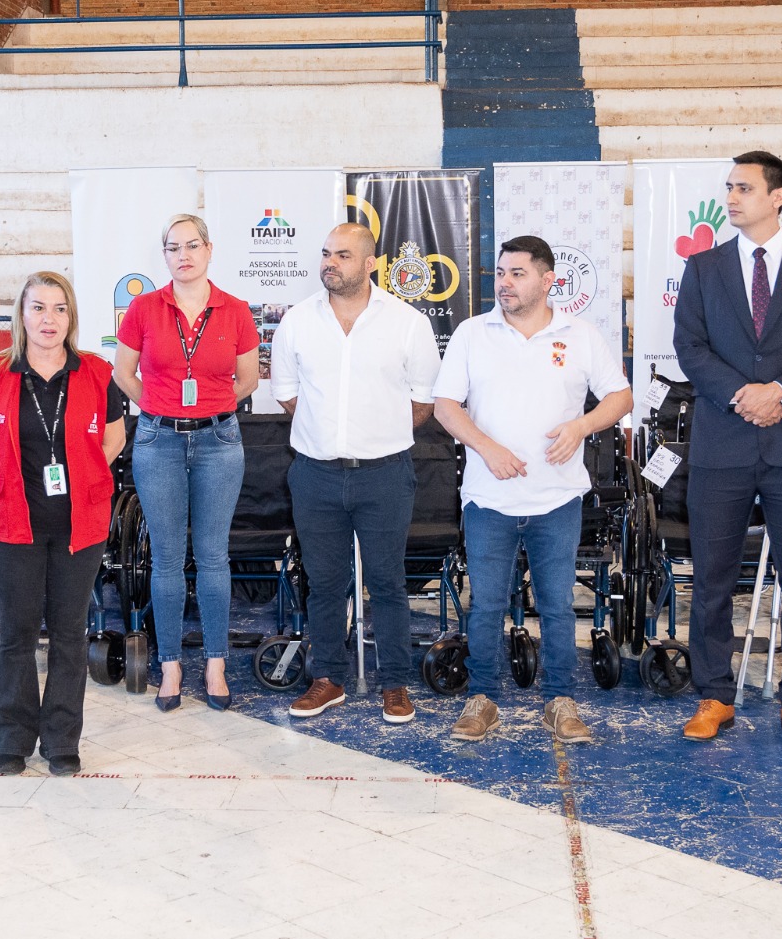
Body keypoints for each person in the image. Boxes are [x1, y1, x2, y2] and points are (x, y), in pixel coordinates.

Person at [671, 150, 782, 746]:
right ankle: (714, 695)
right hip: (721, 446)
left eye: (744, 188)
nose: (731, 197)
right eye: (728, 187)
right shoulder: (703, 268)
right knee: (712, 579)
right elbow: (691, 348)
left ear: (778, 196)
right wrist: (742, 395)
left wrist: (780, 393)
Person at [433, 235, 633, 744]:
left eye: (517, 274)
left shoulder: (581, 335)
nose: (505, 283)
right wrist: (487, 448)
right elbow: (445, 406)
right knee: (486, 605)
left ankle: (560, 701)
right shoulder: (472, 333)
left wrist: (582, 426)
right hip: (489, 499)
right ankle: (482, 699)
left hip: (557, 498)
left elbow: (620, 396)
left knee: (558, 604)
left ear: (548, 281)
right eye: (500, 273)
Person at [271, 222, 441, 723]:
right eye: (326, 253)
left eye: (342, 255)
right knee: (324, 582)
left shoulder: (407, 323)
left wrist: (373, 434)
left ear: (370, 264)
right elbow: (287, 395)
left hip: (385, 475)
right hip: (315, 474)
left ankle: (395, 684)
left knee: (388, 583)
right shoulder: (297, 321)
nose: (330, 262)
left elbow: (423, 402)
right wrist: (330, 434)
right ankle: (328, 679)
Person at [0, 272, 124, 776]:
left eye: (59, 308)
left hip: (80, 526)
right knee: (16, 632)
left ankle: (61, 741)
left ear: (71, 317)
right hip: (12, 525)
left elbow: (115, 439)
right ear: (22, 315)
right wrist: (7, 485)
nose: (48, 319)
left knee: (69, 633)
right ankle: (12, 740)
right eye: (38, 308)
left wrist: (85, 476)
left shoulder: (97, 373)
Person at [114, 213, 259, 711]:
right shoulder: (144, 308)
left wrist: (211, 408)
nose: (183, 255)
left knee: (214, 556)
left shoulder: (235, 310)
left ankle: (216, 663)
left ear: (209, 249)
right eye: (173, 248)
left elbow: (248, 379)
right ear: (165, 256)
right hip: (159, 442)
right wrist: (159, 407)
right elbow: (124, 373)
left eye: (192, 245)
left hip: (219, 441)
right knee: (168, 558)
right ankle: (171, 664)